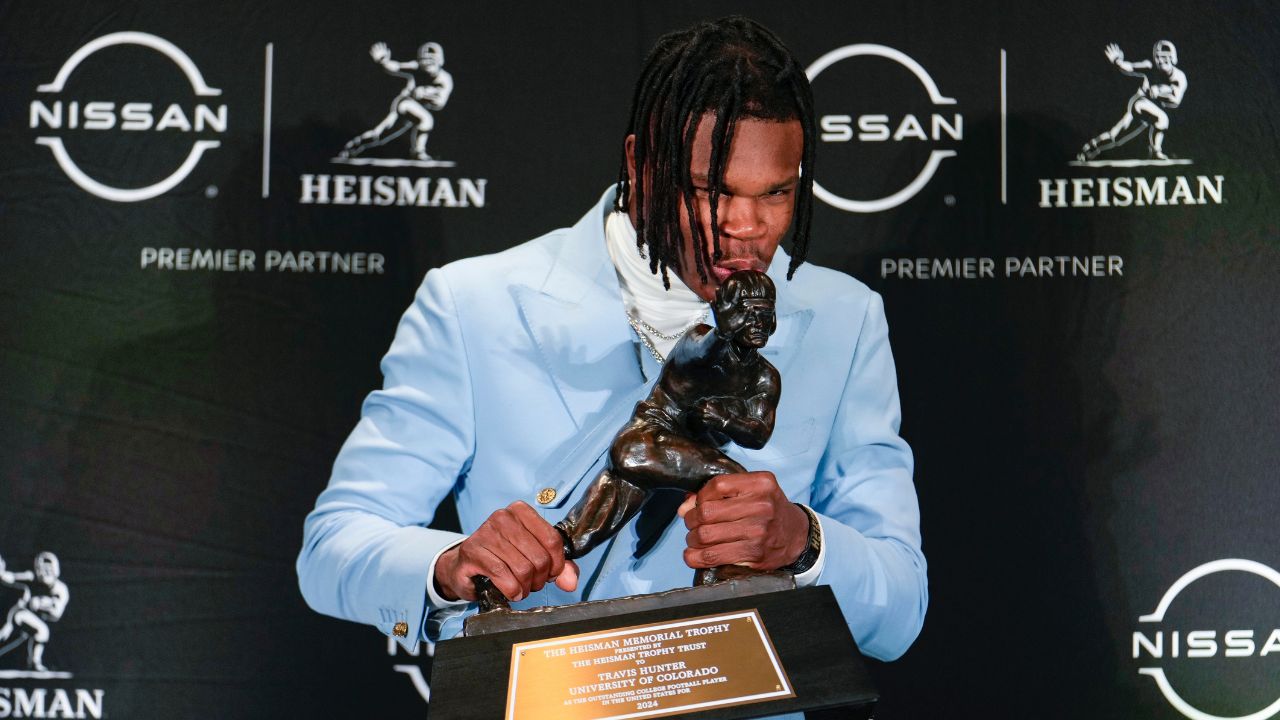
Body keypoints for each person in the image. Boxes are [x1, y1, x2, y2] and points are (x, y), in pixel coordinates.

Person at [298, 16, 926, 674]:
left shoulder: (845, 319)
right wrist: (450, 564)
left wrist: (804, 542)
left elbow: (900, 611)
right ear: (638, 163)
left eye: (777, 192)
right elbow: (334, 547)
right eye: (712, 192)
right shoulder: (472, 304)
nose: (747, 227)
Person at [338, 41, 453, 161]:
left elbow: (440, 103)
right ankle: (418, 152)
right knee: (427, 120)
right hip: (405, 104)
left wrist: (427, 93)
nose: (427, 63)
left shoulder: (445, 79)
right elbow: (396, 66)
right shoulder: (417, 67)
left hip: (415, 111)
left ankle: (354, 146)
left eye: (431, 59)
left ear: (440, 61)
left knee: (380, 136)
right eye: (424, 59)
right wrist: (383, 61)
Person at [1078, 40, 1187, 162]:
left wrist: (1160, 93)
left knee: (1116, 137)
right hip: (1140, 103)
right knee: (1163, 118)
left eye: (1165, 57)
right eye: (1158, 57)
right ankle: (1156, 150)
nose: (1161, 60)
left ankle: (1090, 148)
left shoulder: (1179, 77)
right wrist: (1117, 61)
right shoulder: (1150, 66)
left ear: (1172, 57)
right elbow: (1130, 66)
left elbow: (1176, 101)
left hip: (1152, 110)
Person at [0, 552, 69, 672]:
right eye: (40, 569)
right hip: (18, 614)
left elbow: (56, 614)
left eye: (48, 569)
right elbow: (10, 577)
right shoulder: (31, 578)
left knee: (11, 639)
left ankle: (34, 663)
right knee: (41, 631)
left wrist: (43, 604)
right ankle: (35, 663)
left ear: (55, 570)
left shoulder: (60, 590)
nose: (43, 572)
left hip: (27, 617)